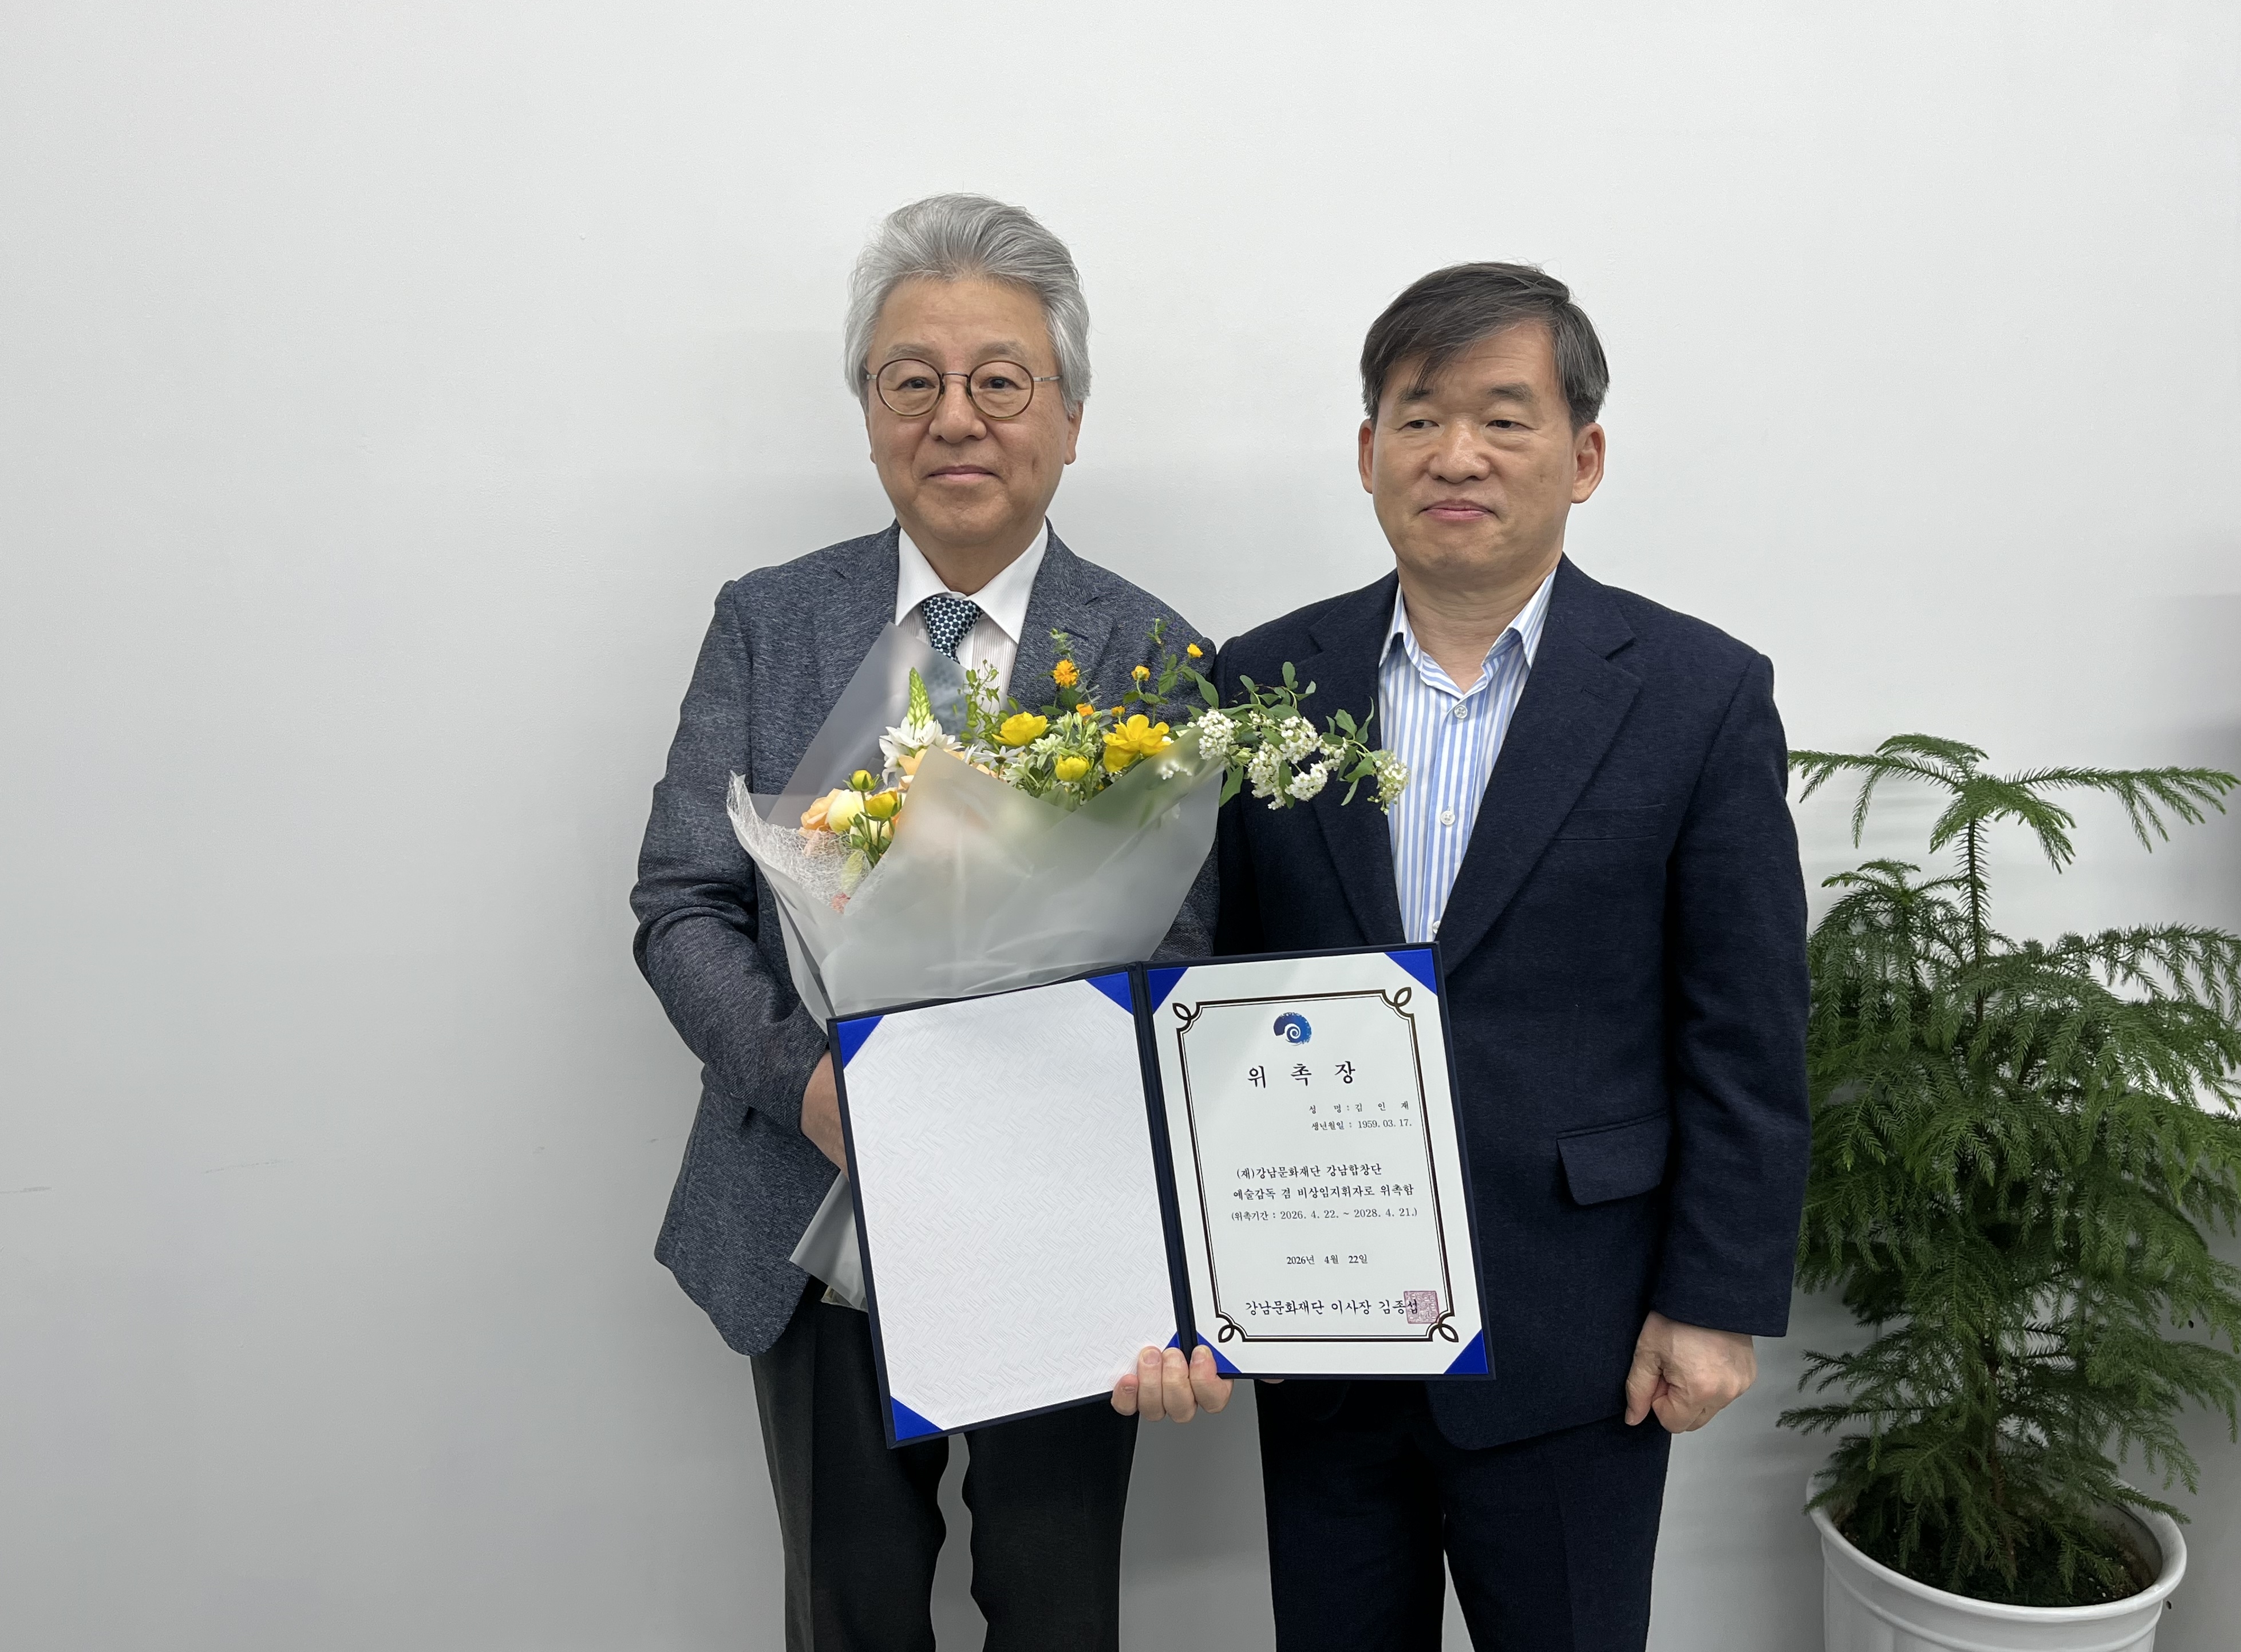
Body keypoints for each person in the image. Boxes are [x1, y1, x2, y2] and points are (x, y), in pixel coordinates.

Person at [631, 193, 1224, 1652]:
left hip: (1060, 1229)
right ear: (870, 411)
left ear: (1069, 417)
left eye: (1000, 381)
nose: (956, 418)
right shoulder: (768, 621)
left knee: (1058, 1614)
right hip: (810, 1198)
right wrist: (811, 1089)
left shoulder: (1156, 653)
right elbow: (683, 902)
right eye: (913, 381)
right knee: (848, 1615)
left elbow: (1183, 956)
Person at [1212, 262, 1811, 1651]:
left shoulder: (1698, 695)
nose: (1456, 455)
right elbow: (1222, 986)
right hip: (1326, 1322)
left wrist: (1713, 1303)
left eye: (1502, 417)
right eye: (1419, 419)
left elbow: (1746, 1028)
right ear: (1368, 453)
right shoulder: (1263, 679)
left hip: (1581, 1333)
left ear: (1583, 457)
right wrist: (1218, 1272)